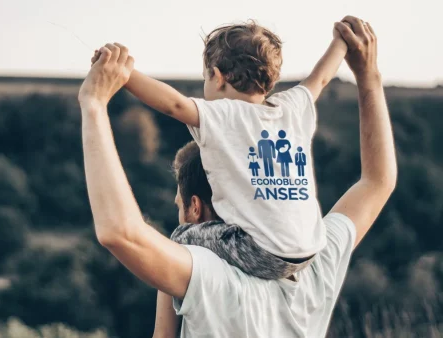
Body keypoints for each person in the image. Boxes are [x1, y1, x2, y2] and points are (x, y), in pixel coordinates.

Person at [78, 15, 396, 337]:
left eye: (180, 204)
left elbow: (122, 233)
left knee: (179, 237)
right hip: (301, 258)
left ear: (195, 207)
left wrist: (96, 102)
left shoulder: (206, 276)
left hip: (237, 256)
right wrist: (366, 73)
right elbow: (377, 181)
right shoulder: (319, 257)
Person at [91, 19, 348, 282]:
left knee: (181, 237)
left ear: (218, 76)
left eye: (205, 77)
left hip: (260, 253)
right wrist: (341, 43)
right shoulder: (291, 108)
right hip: (311, 248)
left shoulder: (223, 114)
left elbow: (174, 106)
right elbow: (321, 77)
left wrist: (122, 73)